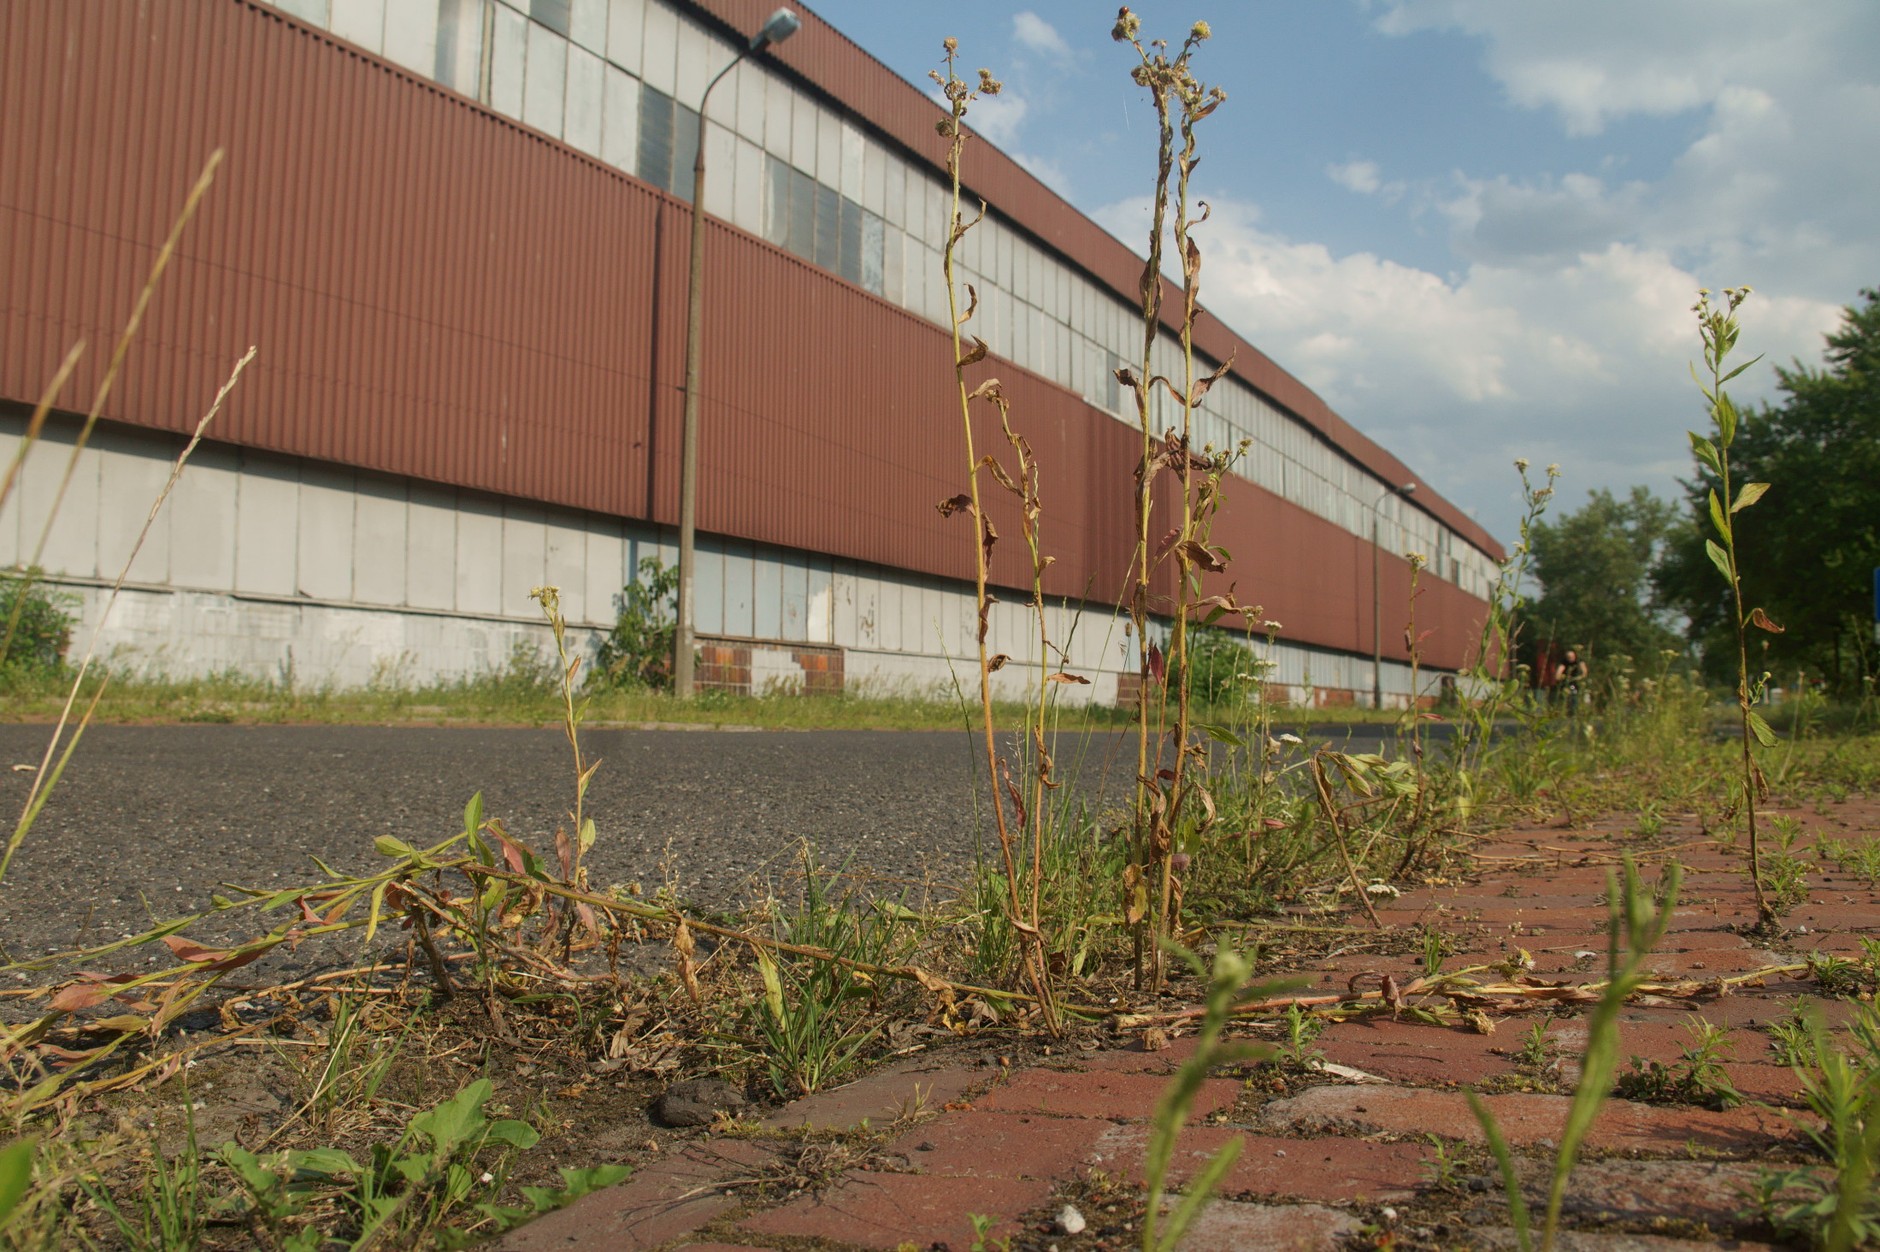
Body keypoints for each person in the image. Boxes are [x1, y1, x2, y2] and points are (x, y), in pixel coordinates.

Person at [1560, 649, 1589, 715]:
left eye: (1571, 656)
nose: (1570, 658)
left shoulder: (1579, 661)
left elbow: (1584, 672)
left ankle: (1584, 711)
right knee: (1572, 694)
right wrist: (1561, 676)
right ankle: (1572, 710)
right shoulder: (1564, 663)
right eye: (1568, 657)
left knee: (1585, 697)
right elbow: (1558, 672)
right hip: (1570, 684)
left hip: (1581, 683)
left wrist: (1579, 677)